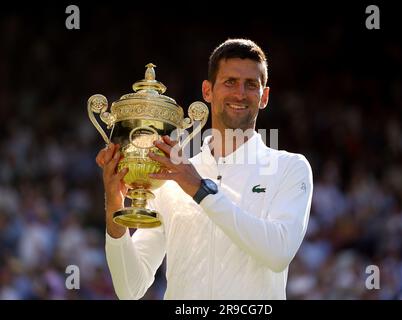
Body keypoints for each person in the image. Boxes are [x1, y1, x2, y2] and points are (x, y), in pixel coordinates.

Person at [96, 38, 313, 299]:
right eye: (230, 82)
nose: (240, 94)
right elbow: (129, 288)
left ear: (264, 96)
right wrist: (114, 207)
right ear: (207, 91)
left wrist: (200, 190)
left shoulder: (290, 168)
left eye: (251, 85)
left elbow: (278, 254)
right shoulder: (171, 175)